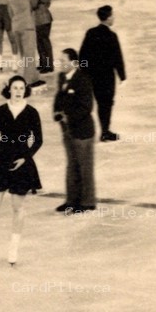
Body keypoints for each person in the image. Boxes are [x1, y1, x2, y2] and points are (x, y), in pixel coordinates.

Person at [0, 74, 44, 267]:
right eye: (15, 88)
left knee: (17, 208)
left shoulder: (32, 113)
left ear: (25, 90)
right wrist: (5, 151)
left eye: (21, 88)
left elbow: (38, 140)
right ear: (9, 90)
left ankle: (13, 249)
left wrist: (25, 157)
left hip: (22, 164)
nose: (18, 91)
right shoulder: (0, 111)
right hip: (1, 162)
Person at [51, 48, 97, 214]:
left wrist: (68, 117)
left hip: (83, 132)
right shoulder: (62, 77)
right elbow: (59, 97)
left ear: (74, 63)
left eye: (63, 60)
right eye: (60, 60)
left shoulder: (83, 80)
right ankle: (71, 200)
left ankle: (87, 202)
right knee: (72, 166)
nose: (60, 63)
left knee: (84, 167)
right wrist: (57, 112)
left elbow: (86, 107)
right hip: (68, 131)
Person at [79, 4, 126, 142]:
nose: (114, 18)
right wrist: (122, 76)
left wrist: (84, 72)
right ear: (108, 18)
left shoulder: (90, 33)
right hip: (107, 76)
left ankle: (91, 131)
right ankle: (105, 131)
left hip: (93, 75)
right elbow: (117, 57)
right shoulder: (111, 36)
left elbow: (82, 55)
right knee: (106, 104)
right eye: (112, 15)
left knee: (98, 102)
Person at [8, 0, 43, 88]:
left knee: (23, 55)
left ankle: (31, 76)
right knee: (29, 54)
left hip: (16, 25)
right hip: (26, 26)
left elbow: (10, 12)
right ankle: (29, 80)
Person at [32, 0, 56, 74]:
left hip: (41, 19)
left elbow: (34, 3)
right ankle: (44, 63)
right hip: (43, 18)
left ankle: (47, 65)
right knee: (41, 41)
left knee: (42, 42)